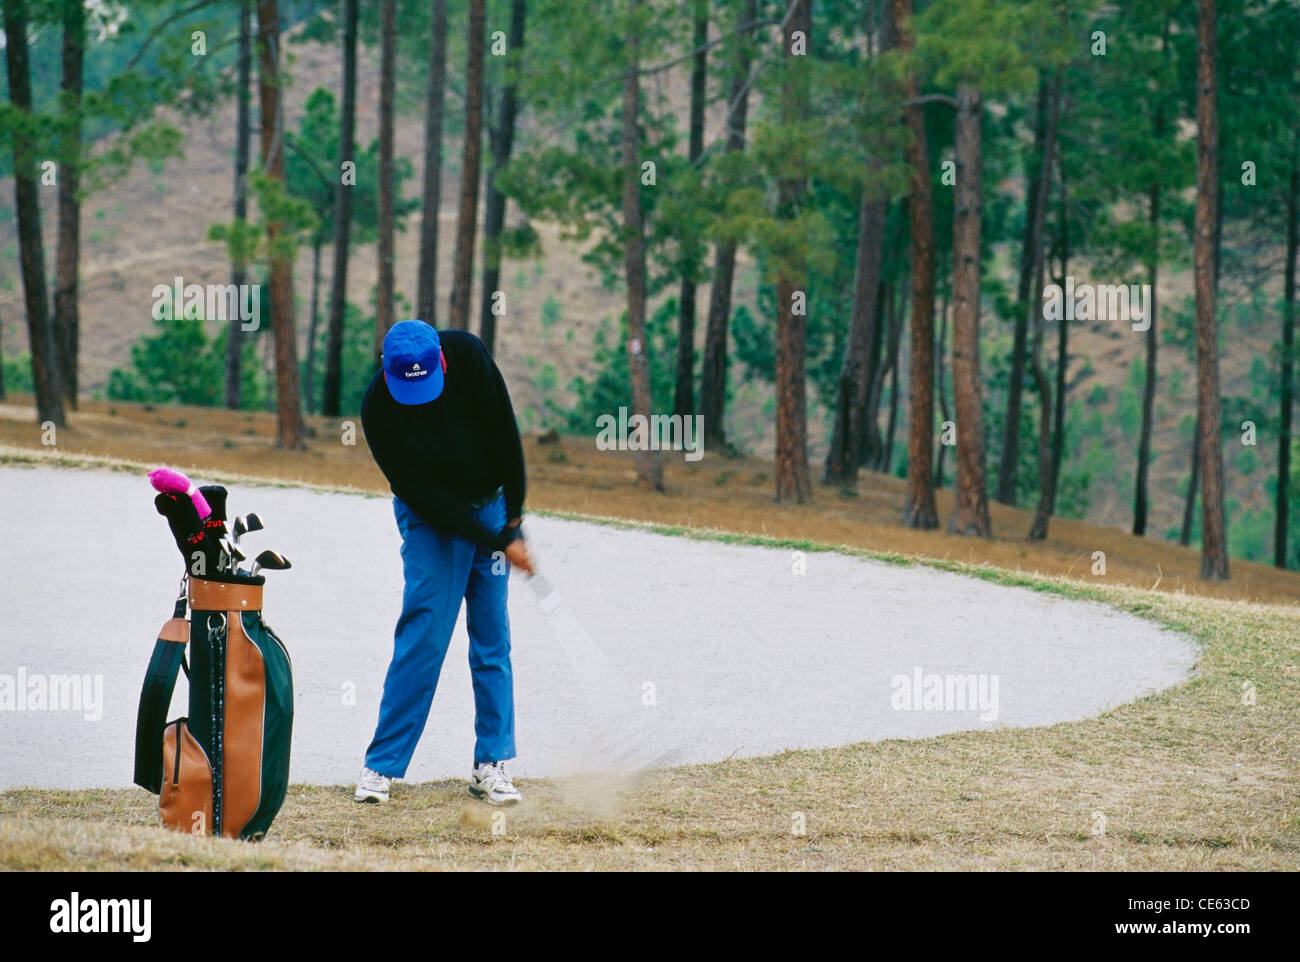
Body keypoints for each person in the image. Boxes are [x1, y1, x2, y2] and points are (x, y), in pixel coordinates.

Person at [354, 319, 535, 807]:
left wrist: (512, 525)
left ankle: (491, 764)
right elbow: (426, 498)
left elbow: (505, 435)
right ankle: (382, 766)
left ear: (442, 359)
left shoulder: (470, 358)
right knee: (425, 634)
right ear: (386, 371)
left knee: (492, 635)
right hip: (433, 521)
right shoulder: (377, 409)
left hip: (492, 504)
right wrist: (492, 540)